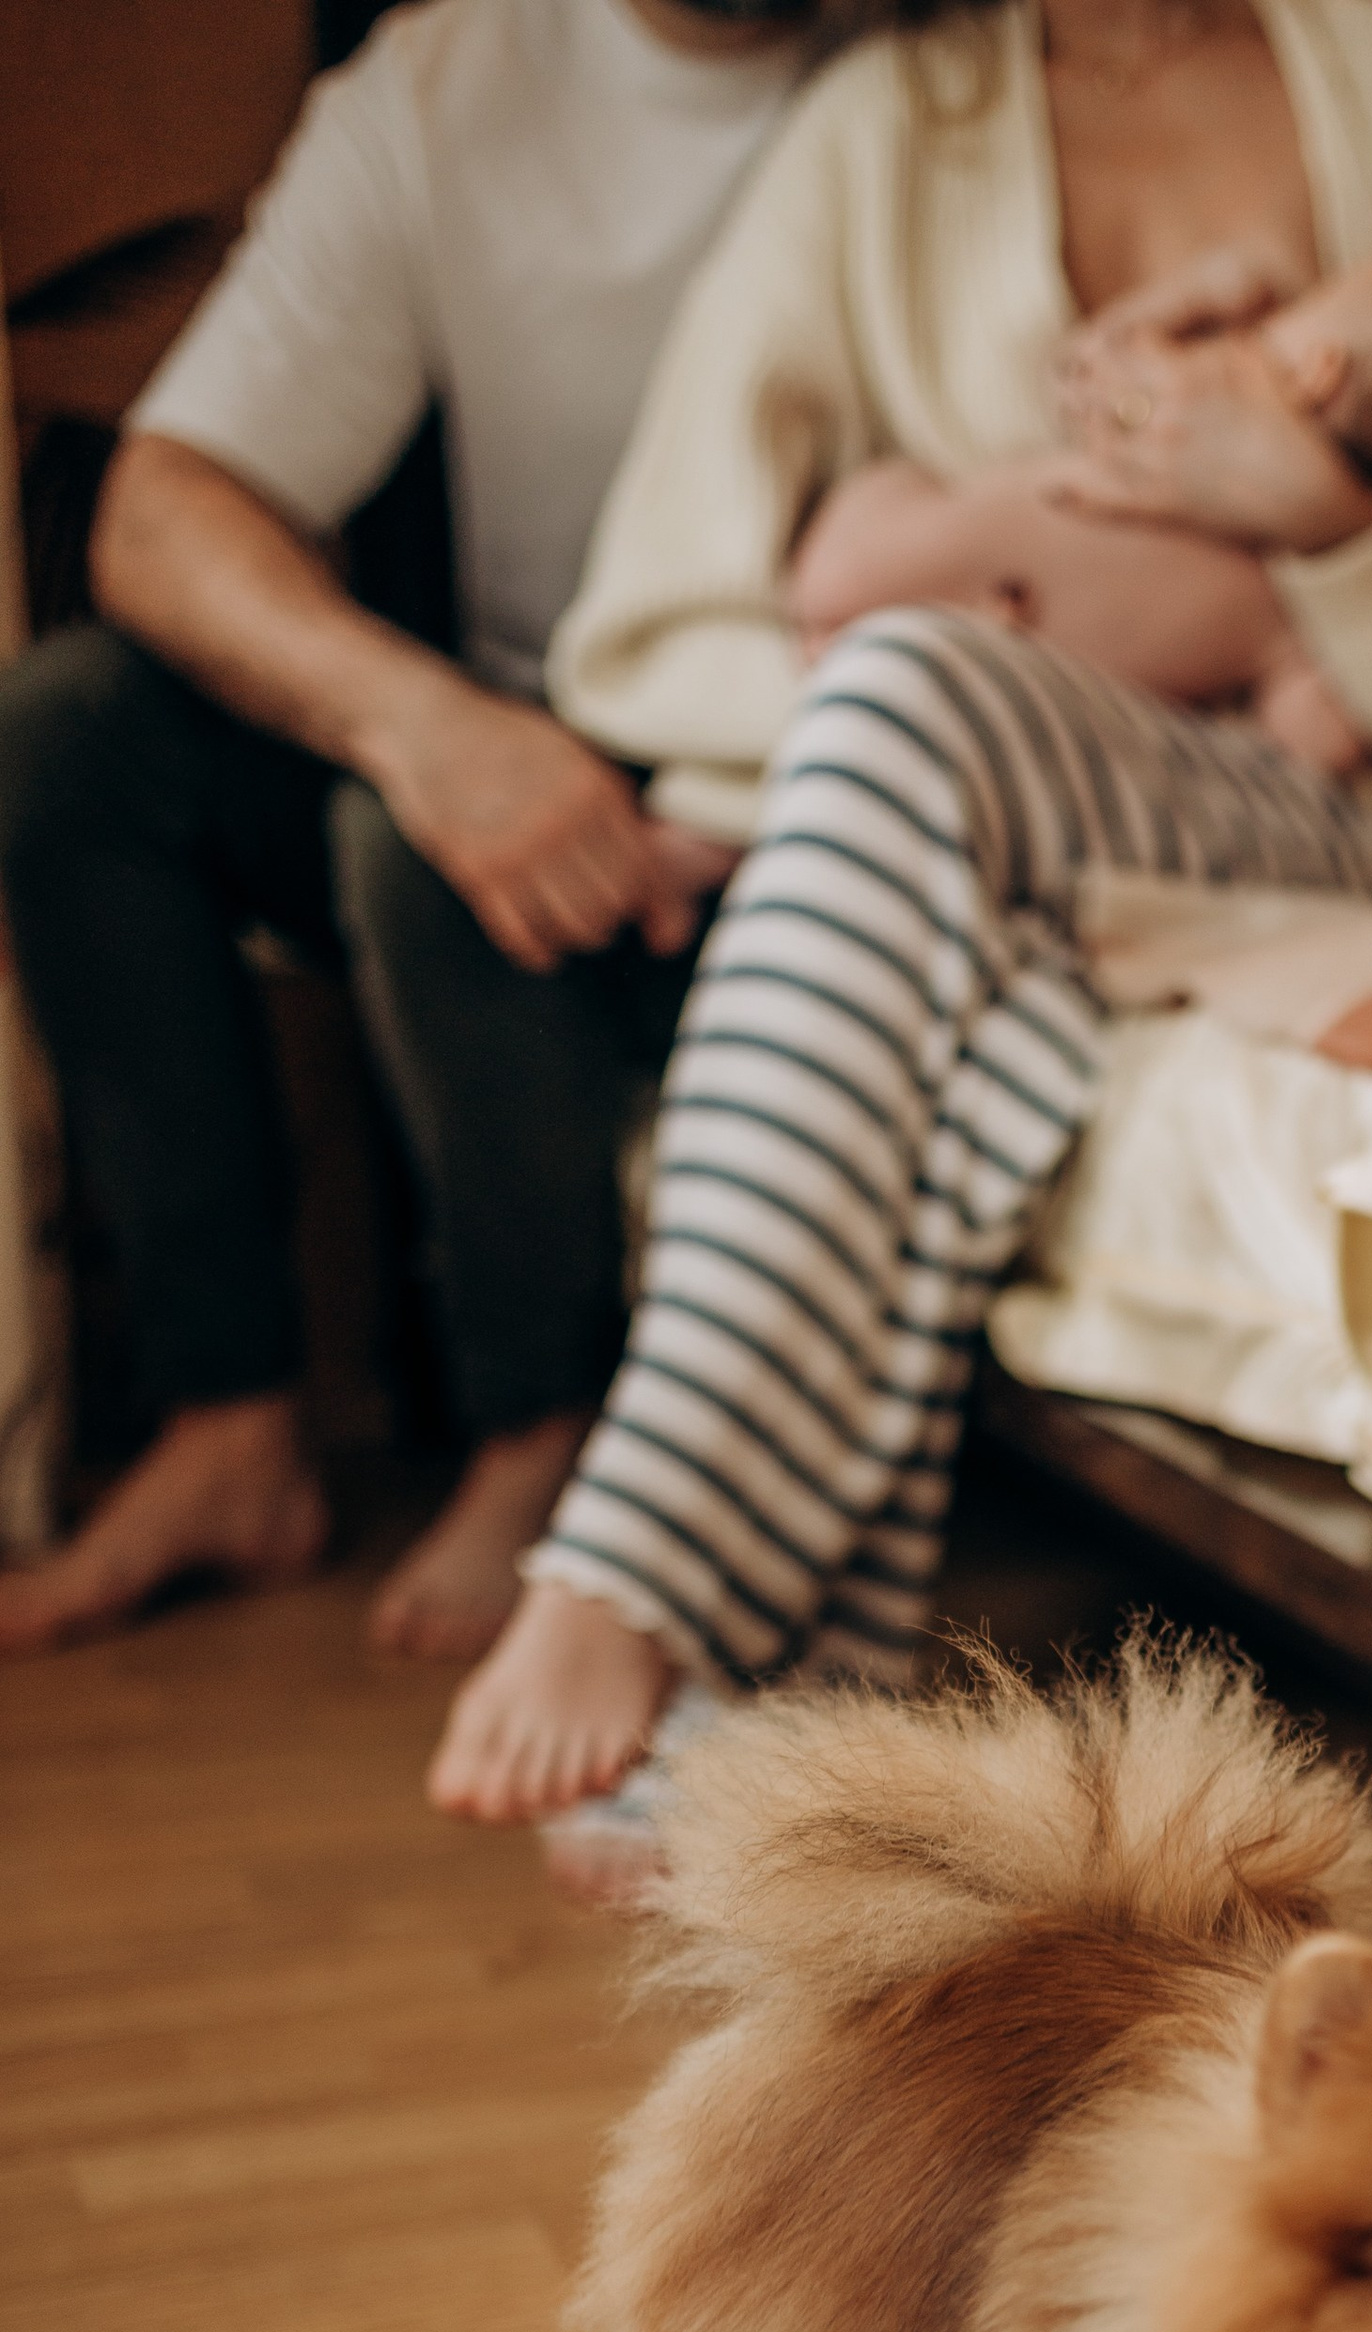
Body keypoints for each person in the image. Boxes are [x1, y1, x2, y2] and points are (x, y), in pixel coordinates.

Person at [428, 0, 1372, 1822]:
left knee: (913, 704)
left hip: (1315, 793)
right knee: (949, 857)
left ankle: (647, 1541)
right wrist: (969, 696)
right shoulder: (877, 127)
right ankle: (782, 1670)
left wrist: (1330, 531)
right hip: (1001, 783)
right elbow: (658, 620)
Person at [0, 0, 831, 1664]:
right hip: (538, 726)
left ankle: (550, 1435)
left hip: (820, 757)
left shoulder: (957, 69)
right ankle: (228, 1417)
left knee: (415, 851)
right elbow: (163, 518)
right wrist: (435, 729)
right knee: (75, 738)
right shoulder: (448, 77)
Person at [781, 247, 1372, 773]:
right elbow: (1313, 742)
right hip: (965, 656)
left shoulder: (1217, 376)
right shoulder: (1300, 613)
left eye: (1315, 302)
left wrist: (1198, 294)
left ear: (1321, 372)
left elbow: (1090, 361)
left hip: (892, 540)